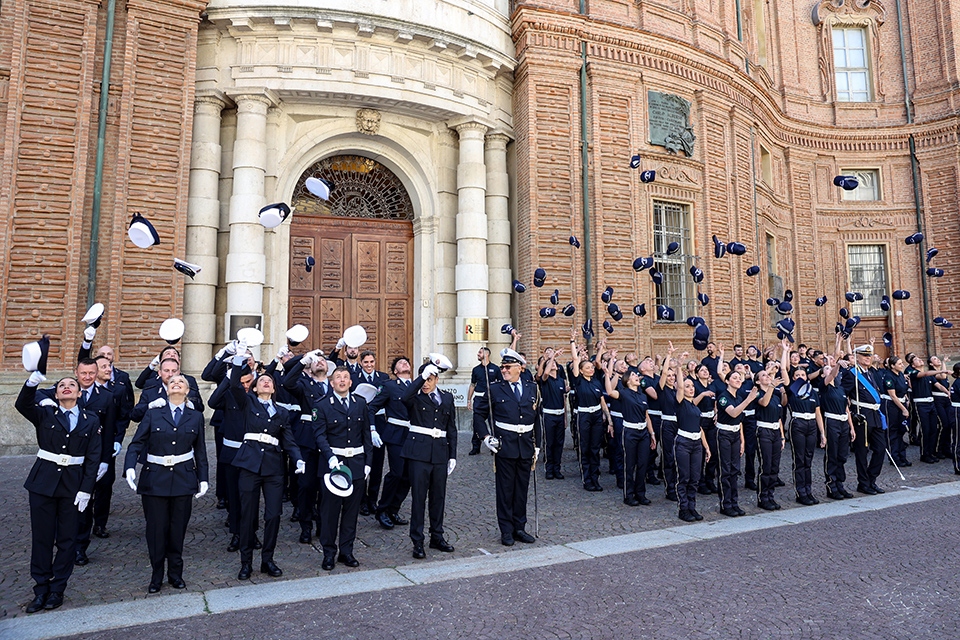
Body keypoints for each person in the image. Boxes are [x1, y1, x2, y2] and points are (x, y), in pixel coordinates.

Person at [17, 368, 102, 613]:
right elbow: (22, 404)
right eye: (61, 385)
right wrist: (32, 382)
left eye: (71, 385)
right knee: (42, 537)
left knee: (67, 540)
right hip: (42, 484)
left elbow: (93, 457)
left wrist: (87, 489)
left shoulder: (91, 420)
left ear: (78, 393)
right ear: (56, 394)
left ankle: (57, 589)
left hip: (73, 487)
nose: (66, 387)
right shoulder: (44, 414)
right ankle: (41, 588)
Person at [124, 374, 208, 593]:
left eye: (181, 382)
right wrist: (130, 467)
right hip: (155, 480)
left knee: (177, 529)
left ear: (188, 391)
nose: (176, 384)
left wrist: (204, 479)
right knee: (156, 530)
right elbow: (136, 444)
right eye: (172, 382)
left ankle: (175, 574)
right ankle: (156, 575)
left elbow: (200, 451)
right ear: (167, 389)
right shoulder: (153, 414)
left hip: (183, 478)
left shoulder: (196, 417)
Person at [227, 353, 305, 580]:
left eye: (269, 381)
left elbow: (288, 439)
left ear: (274, 388)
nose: (266, 382)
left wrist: (298, 458)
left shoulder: (281, 412)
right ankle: (246, 562)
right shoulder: (247, 402)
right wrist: (238, 362)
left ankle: (267, 560)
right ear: (253, 387)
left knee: (273, 515)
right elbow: (233, 384)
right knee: (248, 514)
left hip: (273, 468)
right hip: (249, 465)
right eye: (262, 380)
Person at [475, 348, 540, 545]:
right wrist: (486, 437)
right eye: (502, 367)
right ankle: (506, 530)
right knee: (505, 490)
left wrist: (538, 445)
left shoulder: (532, 388)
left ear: (520, 368)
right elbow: (479, 415)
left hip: (526, 446)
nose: (503, 370)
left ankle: (520, 527)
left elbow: (537, 419)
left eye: (507, 367)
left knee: (521, 489)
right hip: (504, 445)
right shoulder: (494, 388)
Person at [314, 366, 373, 570]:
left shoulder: (360, 403)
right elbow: (319, 435)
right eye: (338, 377)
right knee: (330, 512)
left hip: (356, 464)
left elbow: (366, 434)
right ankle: (328, 553)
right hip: (334, 466)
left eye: (345, 377)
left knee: (351, 511)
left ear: (350, 382)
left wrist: (368, 463)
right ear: (331, 383)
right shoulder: (321, 405)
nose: (342, 380)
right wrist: (330, 457)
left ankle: (346, 552)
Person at [401, 361, 457, 559]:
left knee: (438, 497)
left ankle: (437, 536)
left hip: (440, 453)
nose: (426, 384)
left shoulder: (447, 398)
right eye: (424, 380)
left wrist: (453, 455)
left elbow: (451, 428)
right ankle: (417, 541)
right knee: (418, 498)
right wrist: (420, 378)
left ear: (437, 380)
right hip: (419, 454)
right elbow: (404, 397)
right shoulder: (414, 398)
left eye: (430, 379)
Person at [281, 349, 333, 544]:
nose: (320, 362)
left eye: (323, 361)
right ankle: (306, 525)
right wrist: (303, 362)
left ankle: (322, 523)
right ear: (310, 368)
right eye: (316, 361)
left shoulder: (334, 385)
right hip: (307, 440)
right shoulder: (304, 384)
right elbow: (287, 382)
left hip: (329, 442)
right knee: (306, 485)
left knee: (326, 486)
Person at [602, 352, 655, 506]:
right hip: (630, 432)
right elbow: (610, 392)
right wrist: (607, 375)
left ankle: (641, 494)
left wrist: (651, 433)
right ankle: (629, 494)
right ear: (627, 380)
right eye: (633, 375)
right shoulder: (624, 393)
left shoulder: (643, 396)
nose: (636, 376)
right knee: (629, 464)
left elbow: (647, 416)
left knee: (643, 463)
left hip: (643, 432)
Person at [369, 357, 415, 530]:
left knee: (408, 476)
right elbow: (372, 407)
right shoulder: (389, 386)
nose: (405, 364)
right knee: (396, 473)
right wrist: (373, 429)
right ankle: (382, 510)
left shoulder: (417, 386)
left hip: (413, 435)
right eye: (400, 363)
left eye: (407, 362)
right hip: (395, 433)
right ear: (395, 371)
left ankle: (393, 509)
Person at [666, 355, 709, 521]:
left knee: (695, 477)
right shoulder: (680, 402)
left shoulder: (693, 405)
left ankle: (692, 507)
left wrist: (706, 447)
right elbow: (679, 389)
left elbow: (699, 428)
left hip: (696, 443)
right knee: (684, 477)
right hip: (683, 443)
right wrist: (678, 367)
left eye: (692, 386)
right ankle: (683, 509)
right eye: (688, 386)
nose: (691, 389)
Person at [784, 346, 826, 506]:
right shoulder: (792, 390)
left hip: (811, 425)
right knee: (800, 459)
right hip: (798, 424)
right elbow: (784, 369)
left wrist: (822, 433)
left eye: (803, 374)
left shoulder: (812, 392)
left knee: (809, 459)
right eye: (798, 375)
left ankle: (809, 490)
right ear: (794, 378)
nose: (800, 376)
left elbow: (818, 413)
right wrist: (786, 352)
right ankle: (800, 492)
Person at [569, 331, 610, 492]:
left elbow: (602, 401)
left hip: (597, 415)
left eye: (592, 367)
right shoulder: (578, 380)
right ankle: (587, 479)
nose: (591, 368)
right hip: (584, 415)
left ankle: (595, 477)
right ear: (581, 370)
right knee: (585, 448)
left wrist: (608, 418)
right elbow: (575, 359)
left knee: (595, 448)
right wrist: (572, 341)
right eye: (587, 367)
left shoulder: (596, 382)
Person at [844, 344, 887, 494]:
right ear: (856, 357)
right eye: (864, 355)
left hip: (875, 415)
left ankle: (871, 479)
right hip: (861, 416)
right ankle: (863, 483)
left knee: (881, 448)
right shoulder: (852, 374)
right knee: (862, 452)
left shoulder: (870, 373)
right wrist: (851, 414)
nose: (868, 358)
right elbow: (844, 396)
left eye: (869, 356)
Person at [716, 369, 758, 517]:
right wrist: (749, 400)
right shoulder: (723, 397)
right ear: (727, 381)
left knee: (734, 470)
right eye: (734, 378)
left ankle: (734, 502)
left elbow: (739, 420)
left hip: (735, 434)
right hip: (724, 434)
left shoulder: (739, 397)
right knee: (725, 470)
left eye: (739, 378)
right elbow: (733, 412)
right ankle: (725, 504)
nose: (738, 380)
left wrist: (742, 440)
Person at [353, 350, 389, 516]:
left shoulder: (384, 378)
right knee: (361, 461)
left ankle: (372, 499)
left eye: (371, 362)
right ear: (361, 363)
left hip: (379, 423)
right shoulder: (353, 378)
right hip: (359, 424)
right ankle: (361, 500)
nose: (369, 365)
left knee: (377, 463)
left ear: (375, 362)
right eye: (366, 362)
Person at [821, 348, 854, 500]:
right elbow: (833, 374)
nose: (830, 370)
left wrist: (851, 427)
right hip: (832, 421)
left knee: (842, 455)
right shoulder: (826, 386)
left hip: (843, 422)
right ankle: (831, 485)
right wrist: (837, 365)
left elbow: (846, 408)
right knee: (832, 454)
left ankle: (840, 484)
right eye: (826, 368)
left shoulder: (841, 388)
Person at [754, 349, 786, 510]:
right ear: (758, 381)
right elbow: (764, 403)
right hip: (764, 432)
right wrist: (772, 386)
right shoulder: (758, 392)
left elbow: (779, 418)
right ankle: (763, 497)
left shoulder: (775, 395)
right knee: (765, 465)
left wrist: (782, 436)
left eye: (768, 375)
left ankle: (770, 495)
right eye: (764, 376)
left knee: (775, 466)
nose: (767, 377)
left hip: (775, 431)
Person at [537, 348, 568, 479]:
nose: (553, 363)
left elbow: (564, 400)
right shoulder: (545, 380)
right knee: (549, 442)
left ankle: (557, 468)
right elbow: (545, 373)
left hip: (560, 415)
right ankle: (549, 469)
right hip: (549, 415)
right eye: (551, 363)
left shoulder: (561, 381)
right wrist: (551, 357)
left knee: (559, 443)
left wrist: (565, 417)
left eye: (555, 362)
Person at [657, 343, 683, 502]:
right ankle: (670, 488)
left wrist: (679, 366)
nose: (671, 377)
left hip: (679, 424)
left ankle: (679, 485)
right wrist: (668, 355)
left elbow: (681, 384)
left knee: (679, 457)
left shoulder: (677, 390)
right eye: (669, 376)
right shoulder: (662, 388)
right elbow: (664, 371)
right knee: (668, 456)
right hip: (666, 424)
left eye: (673, 376)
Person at [906, 353, 942, 465]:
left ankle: (931, 452)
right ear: (913, 365)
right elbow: (925, 373)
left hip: (931, 403)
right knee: (925, 429)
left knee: (933, 428)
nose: (920, 360)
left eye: (920, 359)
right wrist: (941, 371)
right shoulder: (913, 373)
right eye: (916, 360)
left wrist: (947, 392)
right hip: (921, 404)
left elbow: (938, 385)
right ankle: (924, 454)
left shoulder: (929, 375)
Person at [467, 347, 502, 455]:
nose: (478, 354)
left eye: (480, 352)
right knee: (477, 424)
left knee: (494, 424)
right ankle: (476, 447)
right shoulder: (476, 369)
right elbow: (473, 385)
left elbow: (500, 384)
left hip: (492, 400)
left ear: (487, 354)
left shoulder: (495, 369)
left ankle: (494, 445)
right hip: (479, 399)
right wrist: (469, 399)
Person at [692, 364, 718, 495]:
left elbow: (715, 403)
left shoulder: (712, 386)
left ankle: (710, 480)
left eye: (706, 370)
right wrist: (702, 394)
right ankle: (700, 482)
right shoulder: (695, 386)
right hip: (700, 420)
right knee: (701, 452)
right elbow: (692, 403)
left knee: (713, 450)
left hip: (711, 421)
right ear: (697, 374)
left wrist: (716, 412)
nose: (705, 372)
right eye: (702, 370)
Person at [881, 356, 911, 468]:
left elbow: (903, 390)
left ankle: (902, 456)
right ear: (892, 366)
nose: (902, 365)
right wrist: (903, 409)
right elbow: (892, 395)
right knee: (892, 432)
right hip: (891, 406)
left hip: (901, 402)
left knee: (901, 430)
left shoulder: (901, 375)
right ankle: (894, 458)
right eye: (899, 364)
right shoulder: (889, 376)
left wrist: (906, 401)